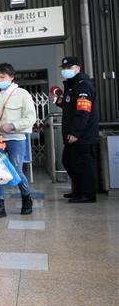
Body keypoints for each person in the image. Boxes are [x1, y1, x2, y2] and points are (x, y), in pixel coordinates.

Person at [0, 63, 36, 217]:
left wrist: (13, 125)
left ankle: (26, 198)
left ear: (11, 77)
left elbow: (31, 118)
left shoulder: (22, 94)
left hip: (16, 139)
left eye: (3, 77)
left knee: (16, 170)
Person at [56, 56, 100, 203]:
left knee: (83, 165)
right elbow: (70, 105)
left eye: (69, 67)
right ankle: (78, 191)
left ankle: (87, 194)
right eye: (64, 68)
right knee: (69, 161)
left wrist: (75, 133)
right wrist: (60, 101)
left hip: (83, 135)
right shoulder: (72, 85)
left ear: (77, 68)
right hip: (73, 134)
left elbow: (83, 111)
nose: (65, 70)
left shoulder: (83, 85)